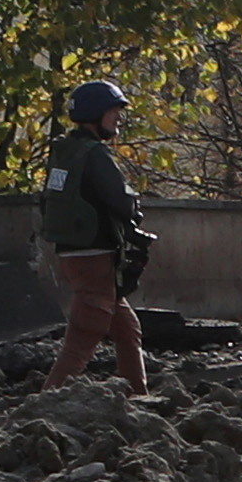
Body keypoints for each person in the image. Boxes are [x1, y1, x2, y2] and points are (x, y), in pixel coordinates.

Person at [41, 80, 154, 392]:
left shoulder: (64, 152)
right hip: (95, 257)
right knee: (84, 336)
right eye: (113, 112)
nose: (118, 119)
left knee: (126, 328)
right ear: (96, 114)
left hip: (72, 253)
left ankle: (138, 396)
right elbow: (120, 200)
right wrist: (134, 210)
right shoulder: (94, 155)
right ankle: (47, 406)